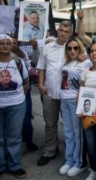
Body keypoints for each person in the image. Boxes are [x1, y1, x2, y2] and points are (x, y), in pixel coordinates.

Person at [36, 21, 73, 166]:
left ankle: (72, 154)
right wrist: (40, 84)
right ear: (58, 30)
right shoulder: (47, 47)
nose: (63, 33)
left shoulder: (73, 48)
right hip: (49, 92)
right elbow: (41, 67)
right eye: (61, 30)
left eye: (66, 31)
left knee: (70, 126)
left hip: (68, 94)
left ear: (70, 33)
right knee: (50, 124)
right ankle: (50, 151)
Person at [58, 36, 92, 177]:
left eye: (75, 48)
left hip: (75, 101)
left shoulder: (86, 62)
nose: (72, 51)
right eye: (69, 48)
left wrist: (88, 55)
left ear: (80, 48)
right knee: (68, 133)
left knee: (78, 134)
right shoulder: (66, 62)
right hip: (64, 100)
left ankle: (79, 163)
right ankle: (69, 160)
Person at [0, 34, 29, 178]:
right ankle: (0, 166)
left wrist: (18, 99)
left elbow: (26, 84)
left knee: (14, 137)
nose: (5, 46)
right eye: (1, 43)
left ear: (12, 46)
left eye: (7, 43)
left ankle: (15, 165)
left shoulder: (18, 62)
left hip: (16, 105)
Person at [79, 39, 96, 180]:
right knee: (90, 144)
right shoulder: (85, 72)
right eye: (92, 51)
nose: (94, 53)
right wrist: (80, 109)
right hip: (88, 114)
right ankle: (94, 170)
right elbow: (81, 91)